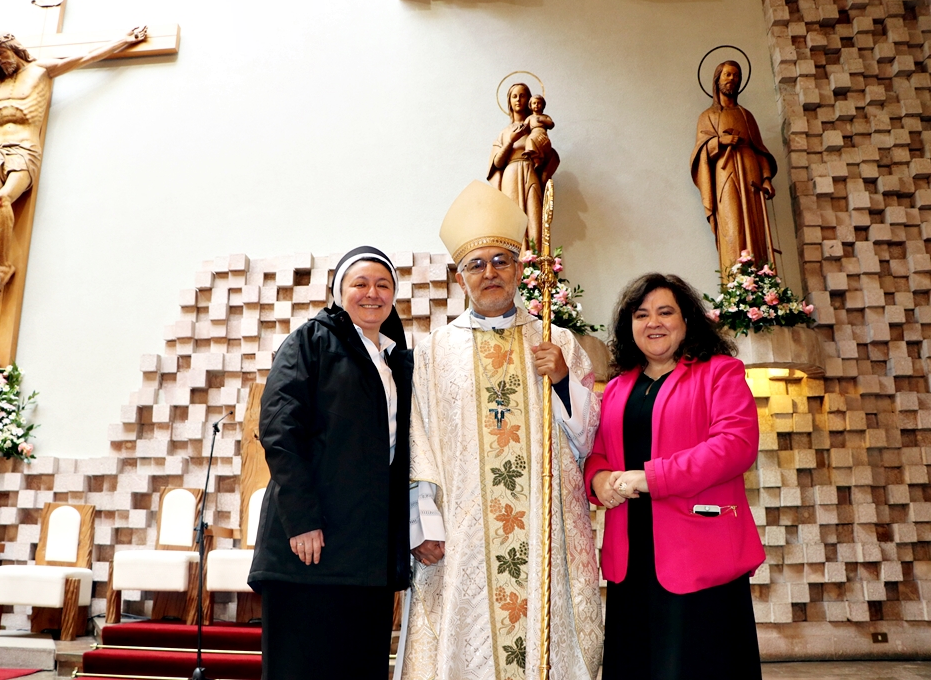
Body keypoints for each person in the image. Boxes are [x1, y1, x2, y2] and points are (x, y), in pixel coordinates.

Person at [399, 180, 603, 680]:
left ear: (518, 269)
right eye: (476, 264)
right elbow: (418, 441)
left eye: (500, 261)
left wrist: (562, 380)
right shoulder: (434, 351)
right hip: (463, 533)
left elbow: (586, 439)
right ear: (460, 277)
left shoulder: (557, 341)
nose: (489, 273)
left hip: (543, 530)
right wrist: (423, 525)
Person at [584, 273, 766, 680]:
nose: (654, 323)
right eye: (641, 314)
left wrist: (651, 478)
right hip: (632, 559)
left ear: (687, 321)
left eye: (665, 312)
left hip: (700, 557)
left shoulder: (720, 372)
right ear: (629, 326)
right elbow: (597, 453)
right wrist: (598, 479)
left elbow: (735, 446)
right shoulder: (617, 387)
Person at [248, 246, 412, 680]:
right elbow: (280, 430)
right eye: (361, 283)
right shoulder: (310, 341)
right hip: (310, 548)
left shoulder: (396, 359)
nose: (372, 293)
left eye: (383, 284)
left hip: (367, 554)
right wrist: (302, 519)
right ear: (339, 292)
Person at [0, 28, 147, 297]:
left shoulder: (41, 70)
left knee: (3, 198)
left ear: (14, 49)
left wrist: (123, 41)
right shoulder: (0, 80)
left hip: (24, 148)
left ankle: (5, 265)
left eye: (2, 52)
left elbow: (87, 56)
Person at [691, 60, 778, 278]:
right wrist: (719, 141)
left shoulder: (746, 115)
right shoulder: (708, 116)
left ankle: (759, 281)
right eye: (727, 74)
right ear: (717, 79)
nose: (732, 79)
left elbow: (760, 150)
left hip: (751, 174)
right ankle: (735, 282)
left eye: (736, 75)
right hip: (725, 174)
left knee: (754, 229)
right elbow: (700, 152)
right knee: (732, 227)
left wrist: (766, 178)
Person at [488, 83, 559, 254]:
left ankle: (535, 262)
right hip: (510, 176)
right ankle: (515, 261)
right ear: (509, 102)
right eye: (514, 96)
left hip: (531, 173)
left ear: (529, 100)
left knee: (535, 219)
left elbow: (549, 157)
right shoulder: (504, 133)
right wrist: (511, 140)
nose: (518, 100)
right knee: (513, 221)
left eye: (522, 95)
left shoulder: (535, 128)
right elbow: (497, 163)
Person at [522, 94, 554, 167]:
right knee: (529, 140)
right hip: (533, 133)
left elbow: (551, 124)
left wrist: (543, 120)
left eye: (538, 103)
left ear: (543, 105)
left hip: (541, 133)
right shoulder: (530, 117)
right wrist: (522, 126)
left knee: (531, 139)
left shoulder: (545, 116)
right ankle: (536, 161)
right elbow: (525, 125)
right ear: (530, 106)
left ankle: (532, 153)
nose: (536, 105)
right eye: (534, 103)